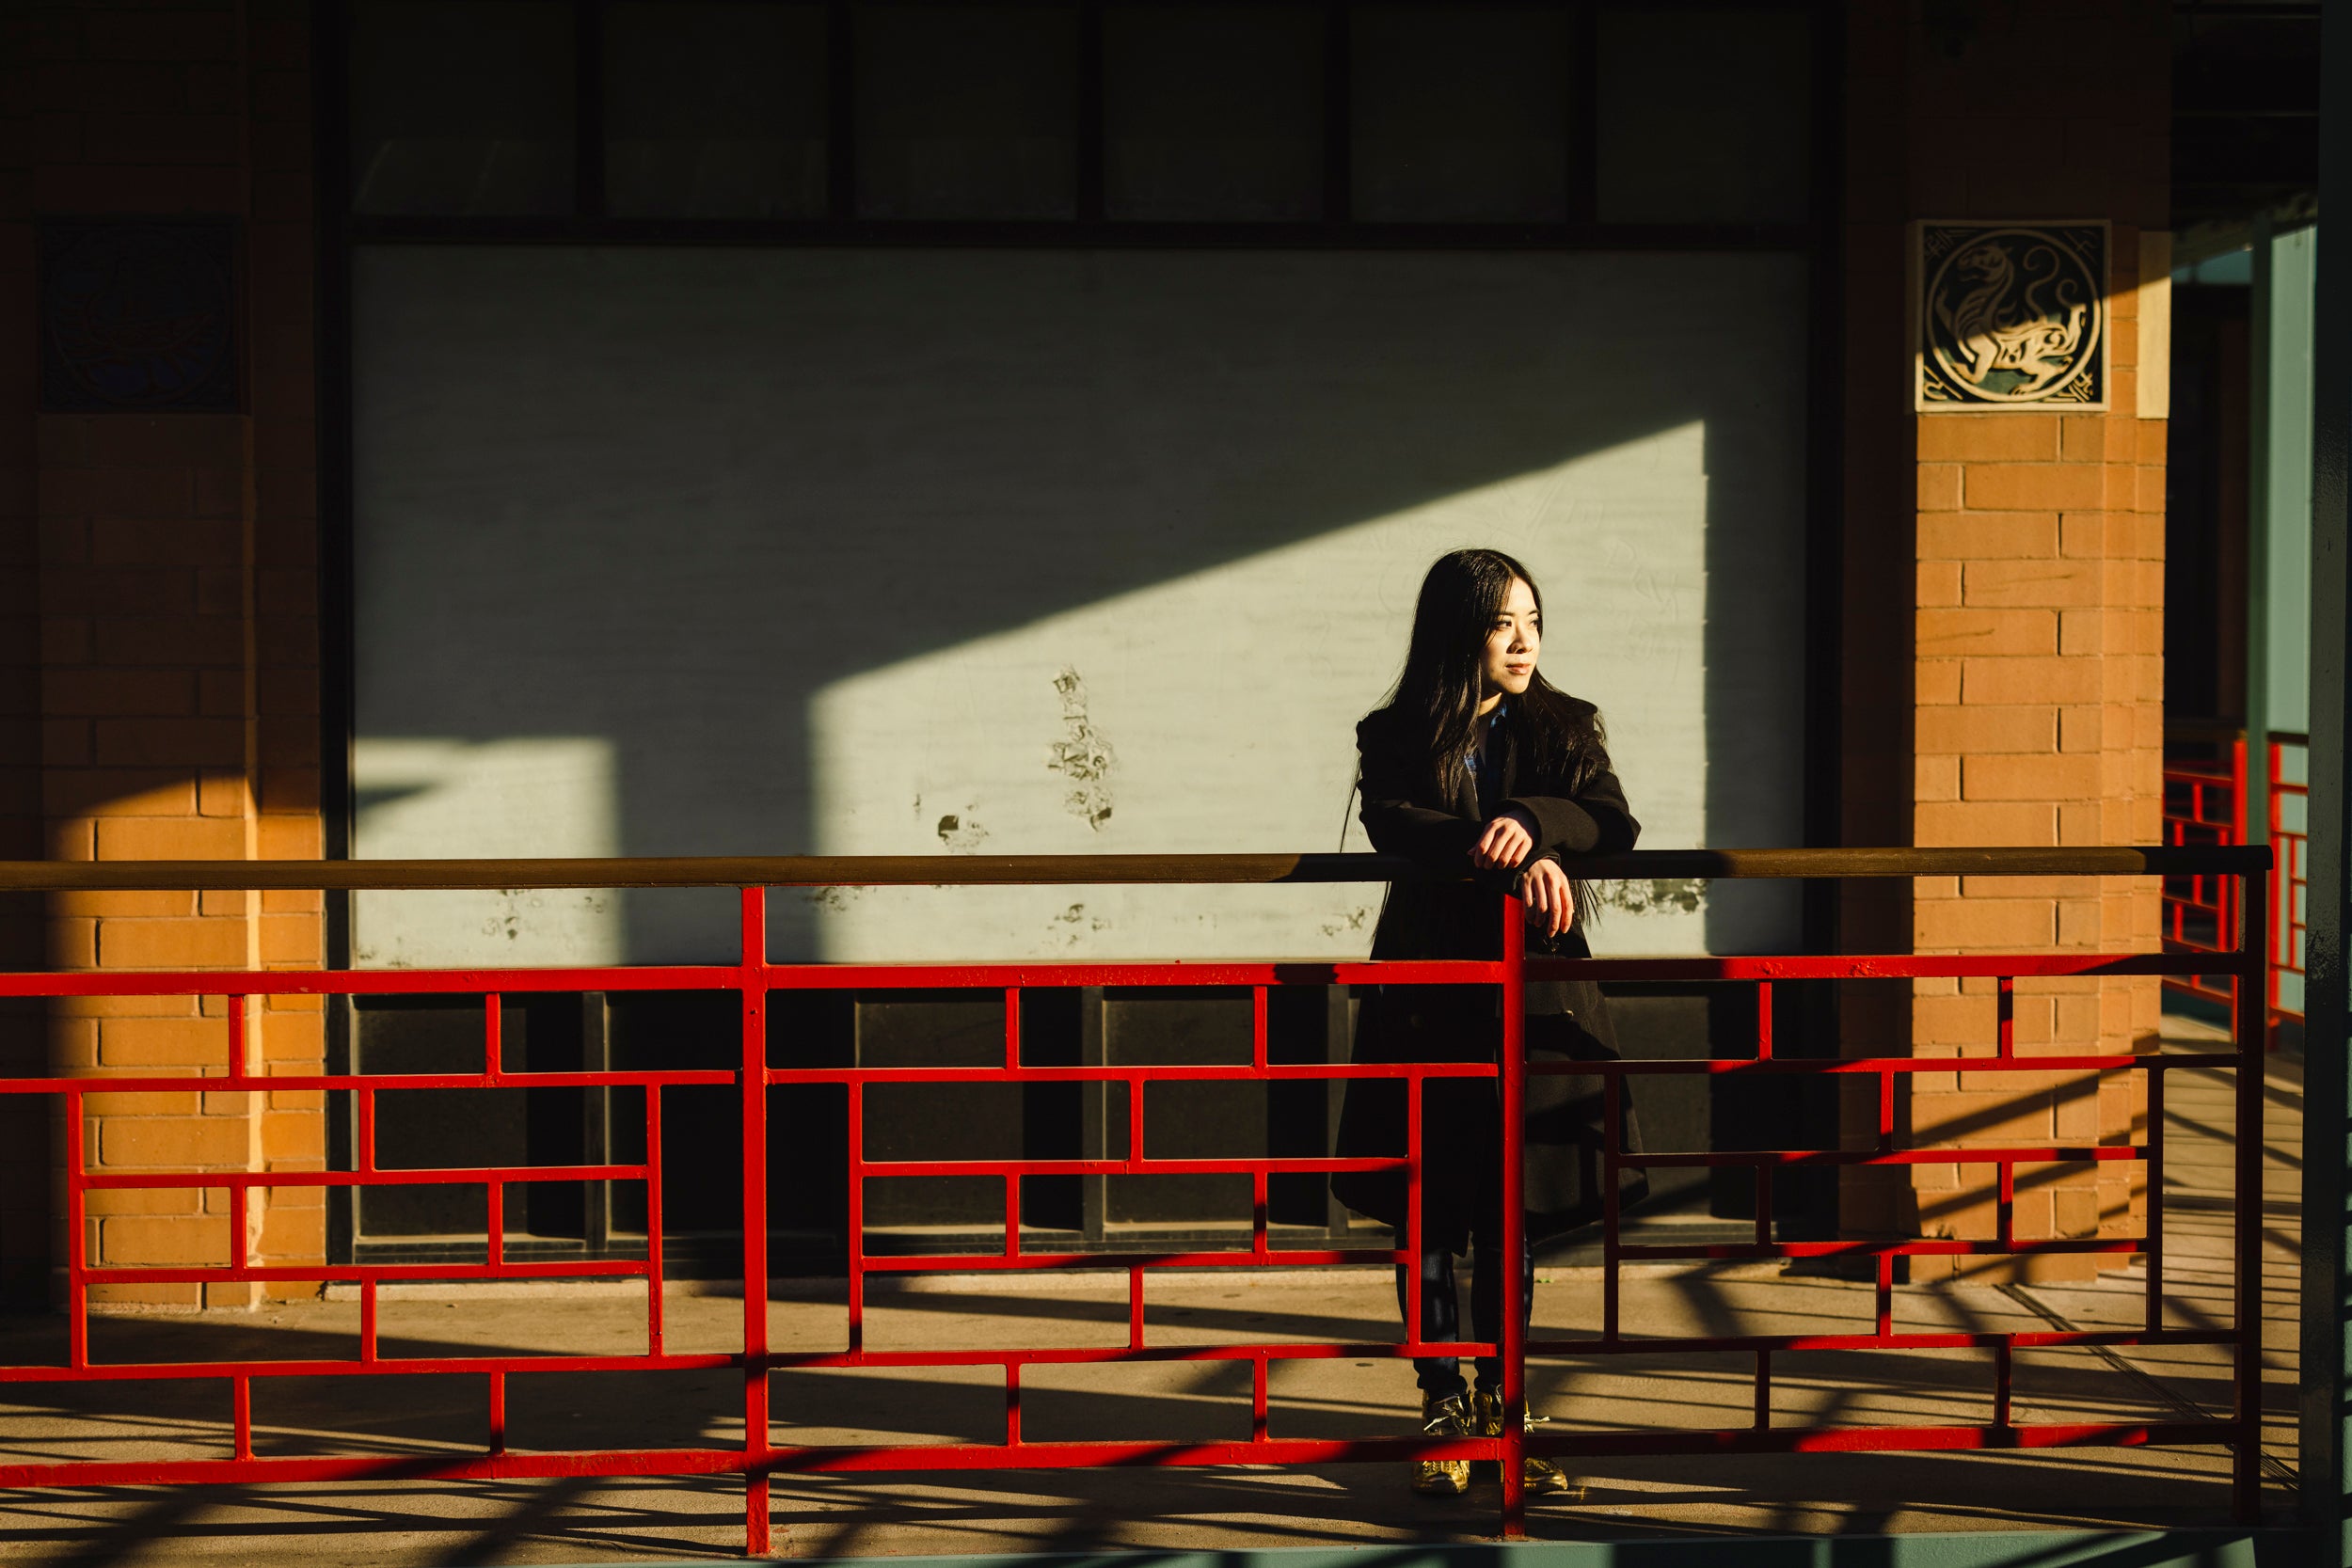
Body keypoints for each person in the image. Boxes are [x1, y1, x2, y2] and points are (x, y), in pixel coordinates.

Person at [1330, 547, 1645, 1499]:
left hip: (1533, 995)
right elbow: (1395, 821)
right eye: (1503, 620)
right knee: (1430, 1206)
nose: (1523, 639)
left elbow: (1613, 820)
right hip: (1428, 991)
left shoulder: (1562, 723)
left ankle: (1507, 1404)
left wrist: (1532, 819)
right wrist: (1497, 852)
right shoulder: (1395, 731)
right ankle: (1440, 1401)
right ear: (1456, 628)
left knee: (1510, 1208)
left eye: (1533, 620)